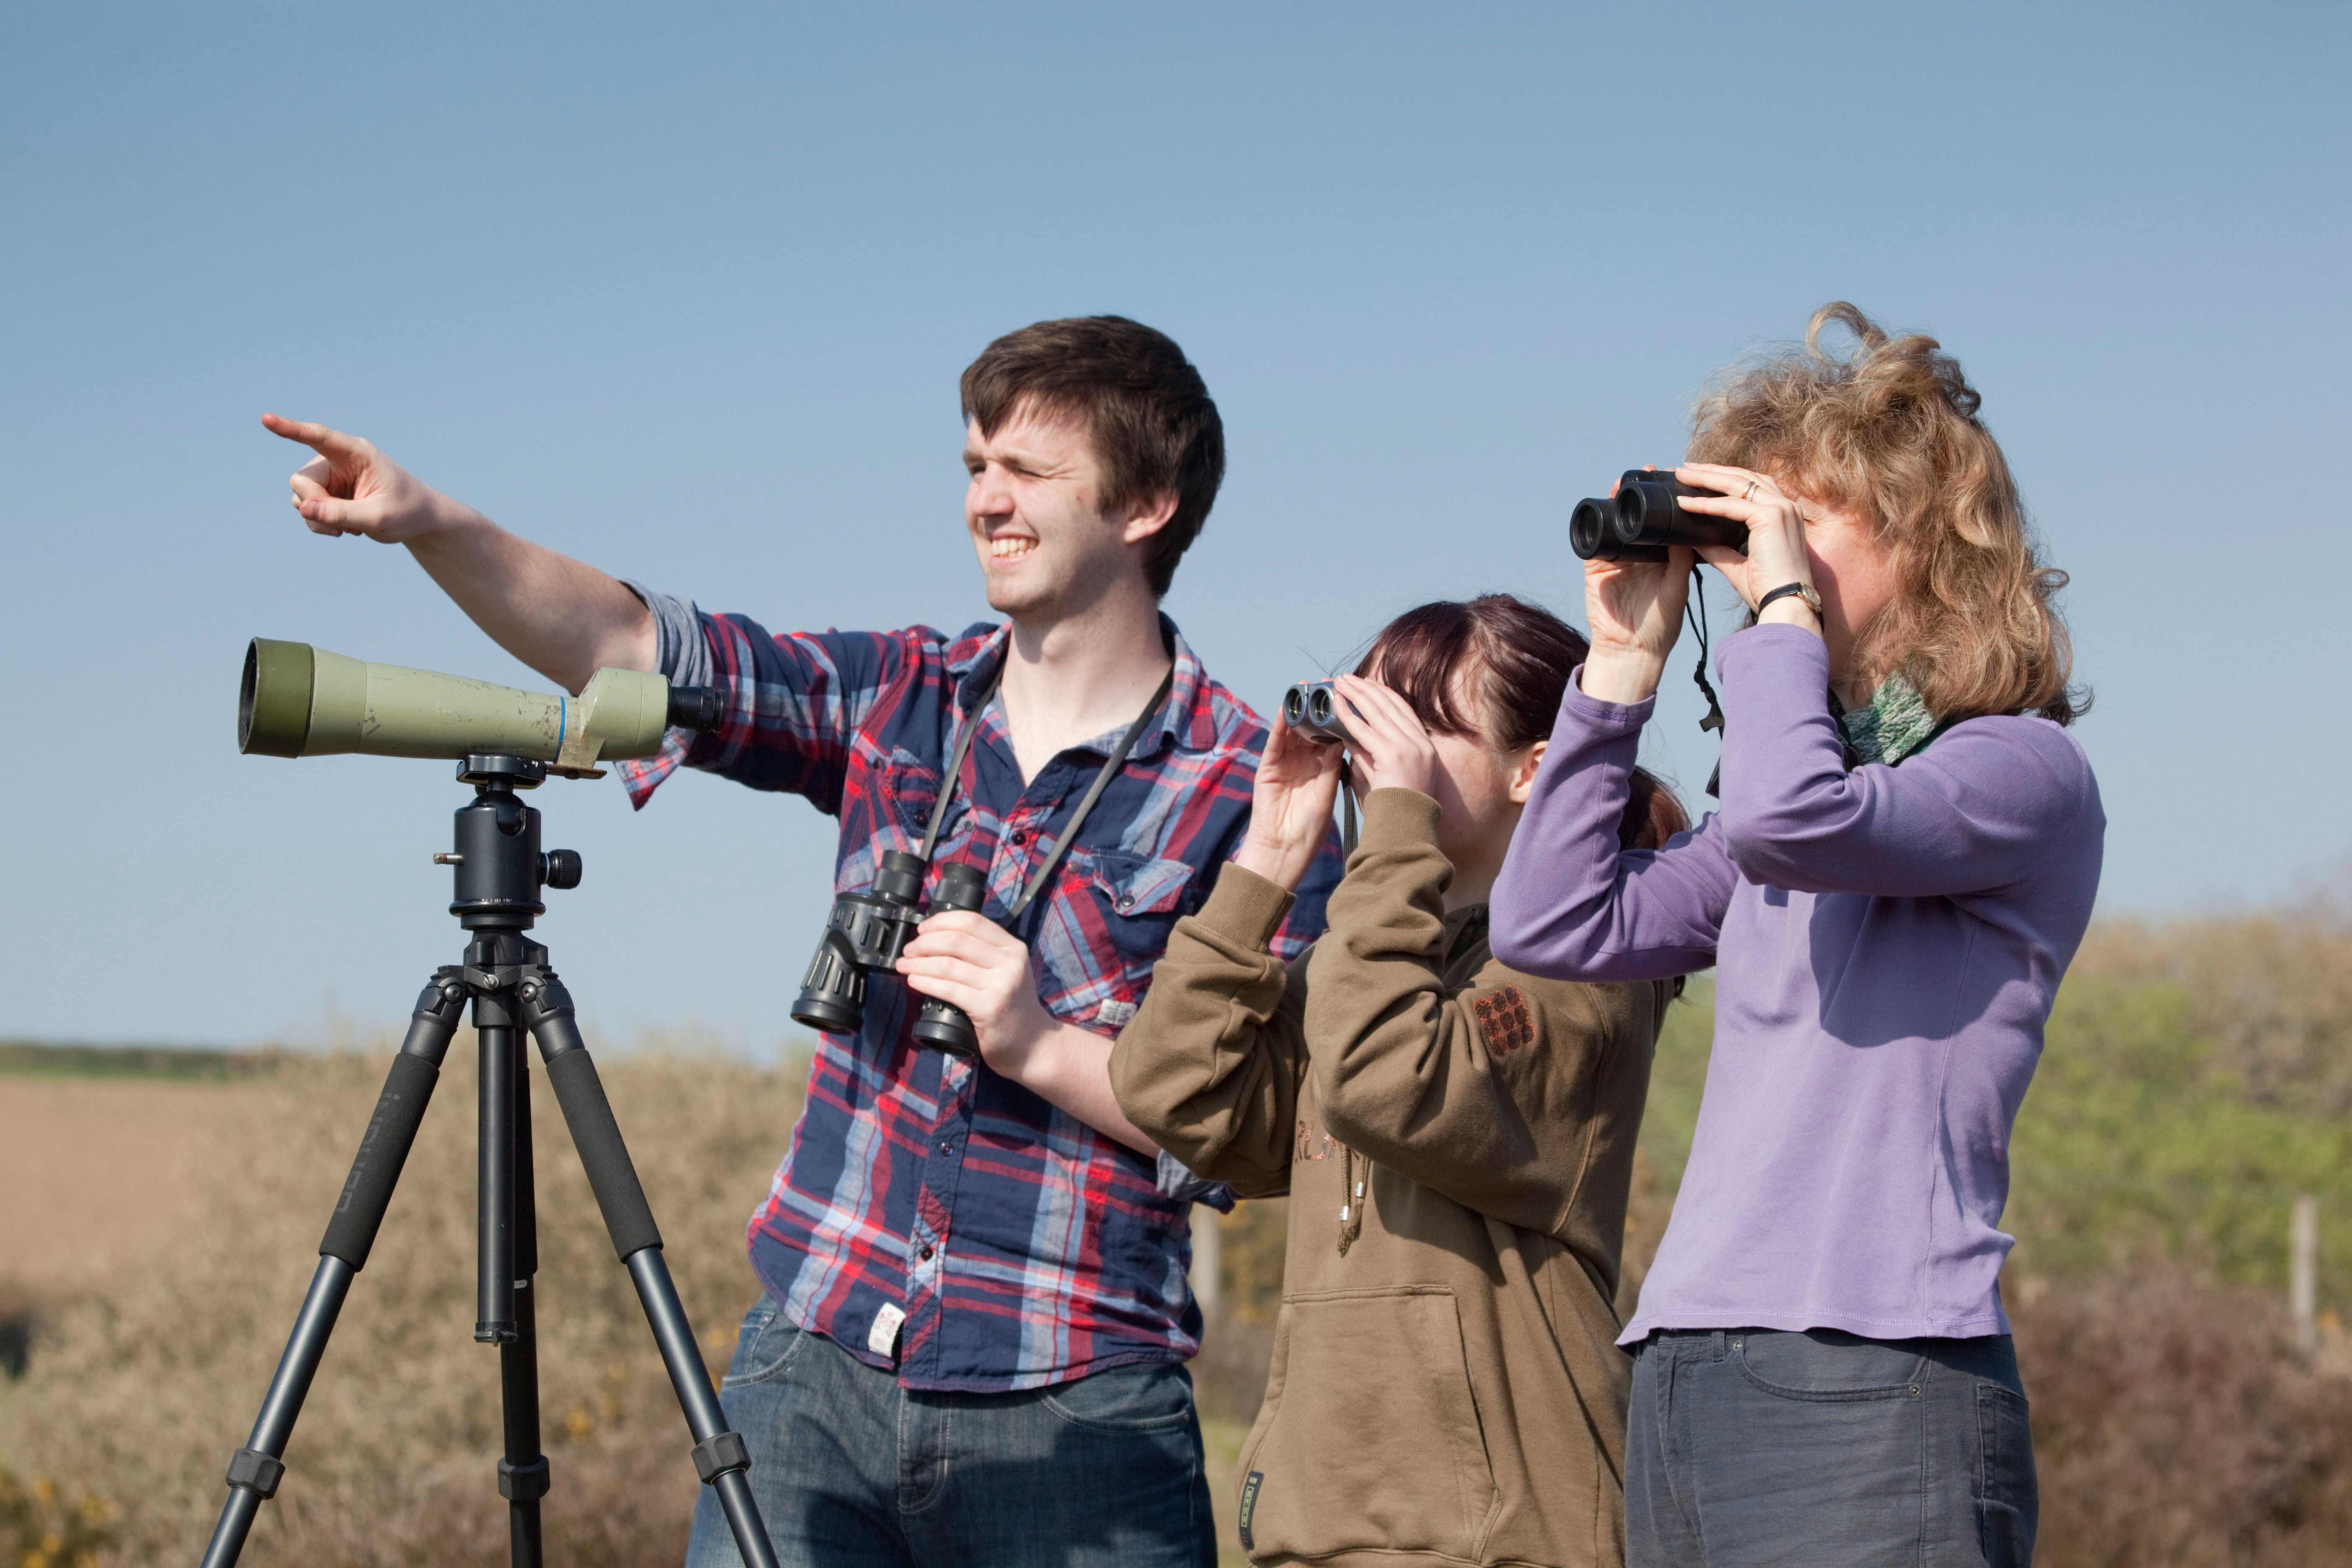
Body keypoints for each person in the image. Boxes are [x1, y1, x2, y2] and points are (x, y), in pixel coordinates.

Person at [263, 315, 1337, 1568]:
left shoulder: (1255, 794)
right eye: (974, 468)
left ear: (1147, 502)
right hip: (809, 1369)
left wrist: (1041, 1045)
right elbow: (636, 650)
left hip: (1079, 1394)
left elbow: (1267, 1134)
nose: (986, 501)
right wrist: (432, 523)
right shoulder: (903, 696)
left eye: (1028, 473)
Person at [1488, 303, 2102, 1568]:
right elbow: (1551, 921)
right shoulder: (1800, 810)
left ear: (1925, 542)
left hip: (1877, 1377)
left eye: (1798, 517)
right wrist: (1617, 667)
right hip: (1690, 1362)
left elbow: (1792, 820)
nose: (1754, 550)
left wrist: (1774, 606)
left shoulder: (2018, 773)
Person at [1109, 595, 1687, 1568]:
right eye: (1371, 718)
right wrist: (1272, 856)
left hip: (1506, 1537)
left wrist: (1392, 831)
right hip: (1324, 1523)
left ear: (1532, 771)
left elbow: (1390, 1077)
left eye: (1422, 730)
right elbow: (1169, 1086)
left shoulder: (1591, 968)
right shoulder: (1373, 965)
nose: (1381, 755)